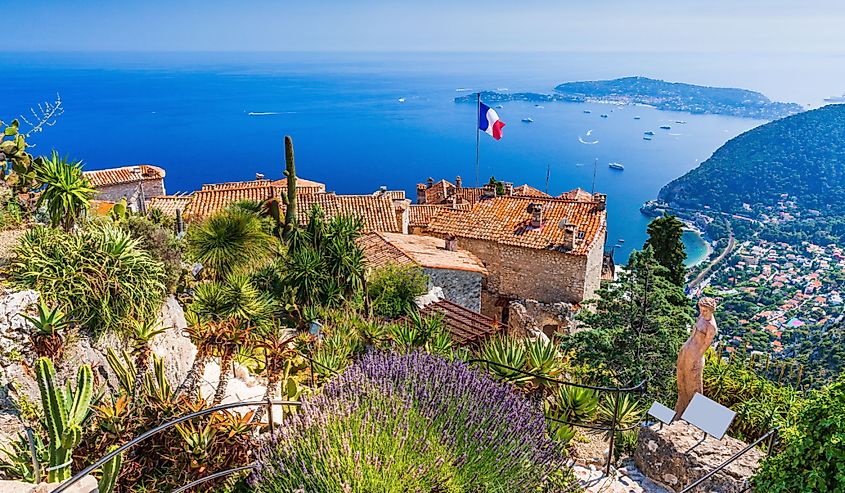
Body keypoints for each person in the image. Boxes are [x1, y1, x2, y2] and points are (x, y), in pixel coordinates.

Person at [674, 297, 718, 419]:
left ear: (711, 310)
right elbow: (693, 334)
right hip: (687, 351)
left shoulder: (711, 327)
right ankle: (680, 409)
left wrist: (696, 359)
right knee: (681, 381)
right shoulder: (701, 317)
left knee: (693, 386)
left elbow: (705, 345)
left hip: (695, 356)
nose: (702, 313)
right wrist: (684, 348)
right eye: (701, 310)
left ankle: (695, 416)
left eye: (705, 311)